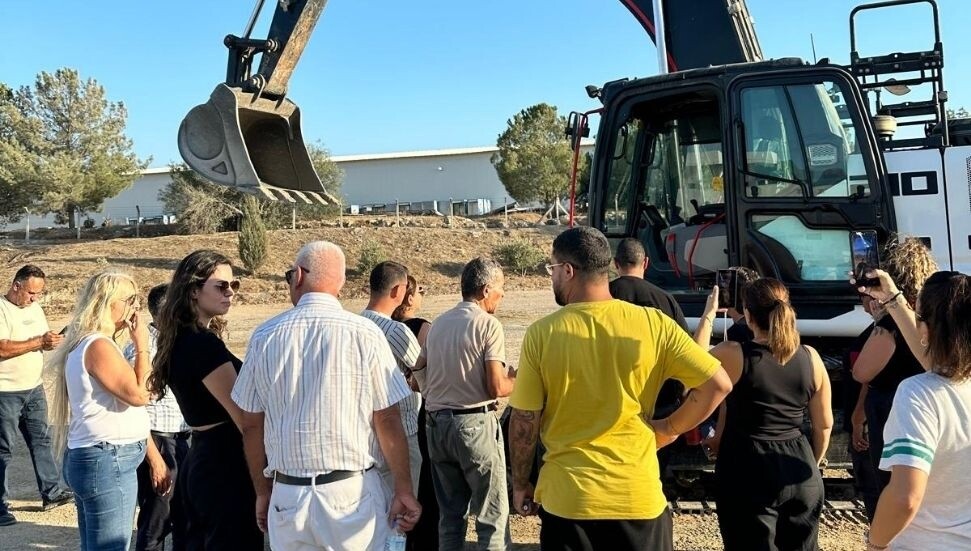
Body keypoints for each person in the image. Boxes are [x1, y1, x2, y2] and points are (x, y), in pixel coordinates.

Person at [507, 226, 732, 551]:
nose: (551, 277)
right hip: (638, 499)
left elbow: (524, 418)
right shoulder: (654, 323)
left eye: (552, 269)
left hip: (569, 501)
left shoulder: (542, 334)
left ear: (568, 271)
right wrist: (668, 428)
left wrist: (520, 482)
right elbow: (718, 384)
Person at [232, 241, 421, 551]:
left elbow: (251, 424)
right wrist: (403, 488)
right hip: (351, 494)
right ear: (341, 283)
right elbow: (387, 419)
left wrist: (263, 492)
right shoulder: (365, 333)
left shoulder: (264, 336)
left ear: (299, 275)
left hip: (288, 495)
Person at [705, 278, 832, 551]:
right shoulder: (811, 357)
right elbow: (824, 426)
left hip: (747, 467)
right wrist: (813, 463)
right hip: (800, 467)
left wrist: (708, 314)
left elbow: (690, 365)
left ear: (748, 315)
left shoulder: (733, 354)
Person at [150, 250, 262, 549]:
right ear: (194, 290)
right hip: (224, 464)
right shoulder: (201, 344)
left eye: (234, 285)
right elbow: (244, 417)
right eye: (221, 286)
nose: (230, 293)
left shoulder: (184, 337)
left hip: (205, 456)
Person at [862, 270, 971, 550]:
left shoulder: (918, 394)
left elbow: (905, 497)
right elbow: (938, 362)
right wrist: (893, 300)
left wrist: (876, 544)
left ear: (926, 329)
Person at [416, 256, 515, 551]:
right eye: (500, 288)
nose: (502, 295)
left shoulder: (439, 324)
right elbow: (496, 386)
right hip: (474, 425)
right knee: (491, 516)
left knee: (450, 517)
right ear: (485, 290)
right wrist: (519, 381)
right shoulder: (488, 325)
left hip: (437, 426)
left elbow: (416, 373)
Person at [48, 270, 152, 550]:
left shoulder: (92, 343)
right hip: (108, 458)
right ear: (107, 303)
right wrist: (142, 344)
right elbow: (140, 394)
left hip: (101, 456)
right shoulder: (98, 345)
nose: (136, 308)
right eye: (130, 300)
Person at [851, 237, 937, 493]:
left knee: (892, 487)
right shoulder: (929, 318)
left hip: (893, 412)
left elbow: (862, 372)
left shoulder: (891, 325)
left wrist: (879, 320)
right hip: (922, 407)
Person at [0, 265, 73, 526]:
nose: (34, 298)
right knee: (3, 450)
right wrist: (38, 342)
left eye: (39, 294)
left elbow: (41, 339)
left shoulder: (36, 309)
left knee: (41, 440)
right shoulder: (1, 309)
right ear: (16, 286)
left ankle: (52, 492)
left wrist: (51, 340)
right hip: (4, 392)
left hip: (33, 387)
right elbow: (2, 348)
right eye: (31, 292)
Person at [124, 284, 190, 551]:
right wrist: (155, 459)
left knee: (186, 519)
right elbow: (134, 407)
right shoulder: (141, 349)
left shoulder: (181, 340)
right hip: (159, 443)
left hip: (185, 440)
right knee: (155, 525)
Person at [361, 261, 423, 495]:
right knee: (401, 512)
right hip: (402, 434)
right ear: (397, 291)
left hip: (365, 434)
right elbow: (424, 370)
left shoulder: (355, 325)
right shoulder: (395, 331)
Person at [391, 275, 439, 551]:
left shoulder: (382, 327)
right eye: (421, 289)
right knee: (424, 489)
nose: (422, 294)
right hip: (416, 413)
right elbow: (431, 367)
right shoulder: (421, 327)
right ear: (409, 297)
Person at [843, 292, 880, 521]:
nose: (862, 299)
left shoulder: (880, 334)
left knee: (874, 489)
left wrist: (858, 417)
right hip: (873, 419)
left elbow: (869, 378)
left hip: (871, 424)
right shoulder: (877, 331)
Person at [608, 237, 688, 330]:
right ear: (645, 262)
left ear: (616, 263)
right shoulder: (665, 300)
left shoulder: (603, 296)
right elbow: (686, 342)